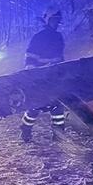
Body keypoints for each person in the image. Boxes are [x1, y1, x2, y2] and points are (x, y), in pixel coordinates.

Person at [20, 9, 67, 141]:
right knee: (35, 106)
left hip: (54, 76)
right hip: (39, 77)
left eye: (57, 20)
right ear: (47, 21)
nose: (56, 23)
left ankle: (58, 134)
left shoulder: (58, 36)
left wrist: (62, 71)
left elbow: (60, 57)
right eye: (54, 20)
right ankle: (25, 128)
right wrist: (32, 72)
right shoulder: (39, 37)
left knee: (57, 105)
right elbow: (30, 56)